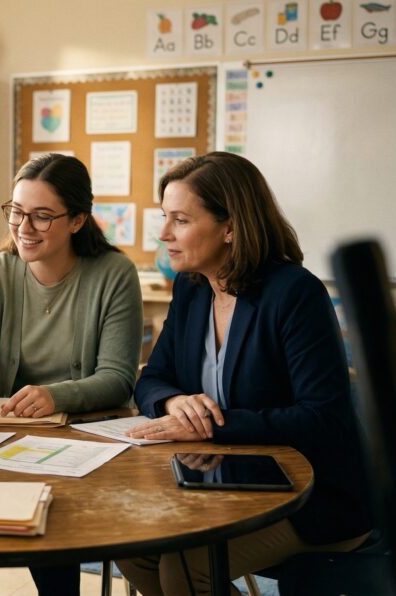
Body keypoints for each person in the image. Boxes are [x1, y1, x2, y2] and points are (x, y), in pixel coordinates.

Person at [117, 152, 372, 596]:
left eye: (180, 220)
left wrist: (212, 425)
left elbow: (323, 417)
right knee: (132, 548)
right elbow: (150, 379)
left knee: (188, 567)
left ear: (230, 227)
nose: (163, 235)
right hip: (220, 485)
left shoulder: (295, 294)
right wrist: (177, 402)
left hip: (308, 498)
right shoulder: (192, 287)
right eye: (165, 218)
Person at [0, 153, 143, 596]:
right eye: (15, 211)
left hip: (84, 444)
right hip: (6, 439)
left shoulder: (115, 274)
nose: (23, 228)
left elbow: (117, 378)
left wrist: (56, 396)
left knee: (55, 548)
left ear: (77, 220)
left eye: (41, 216)